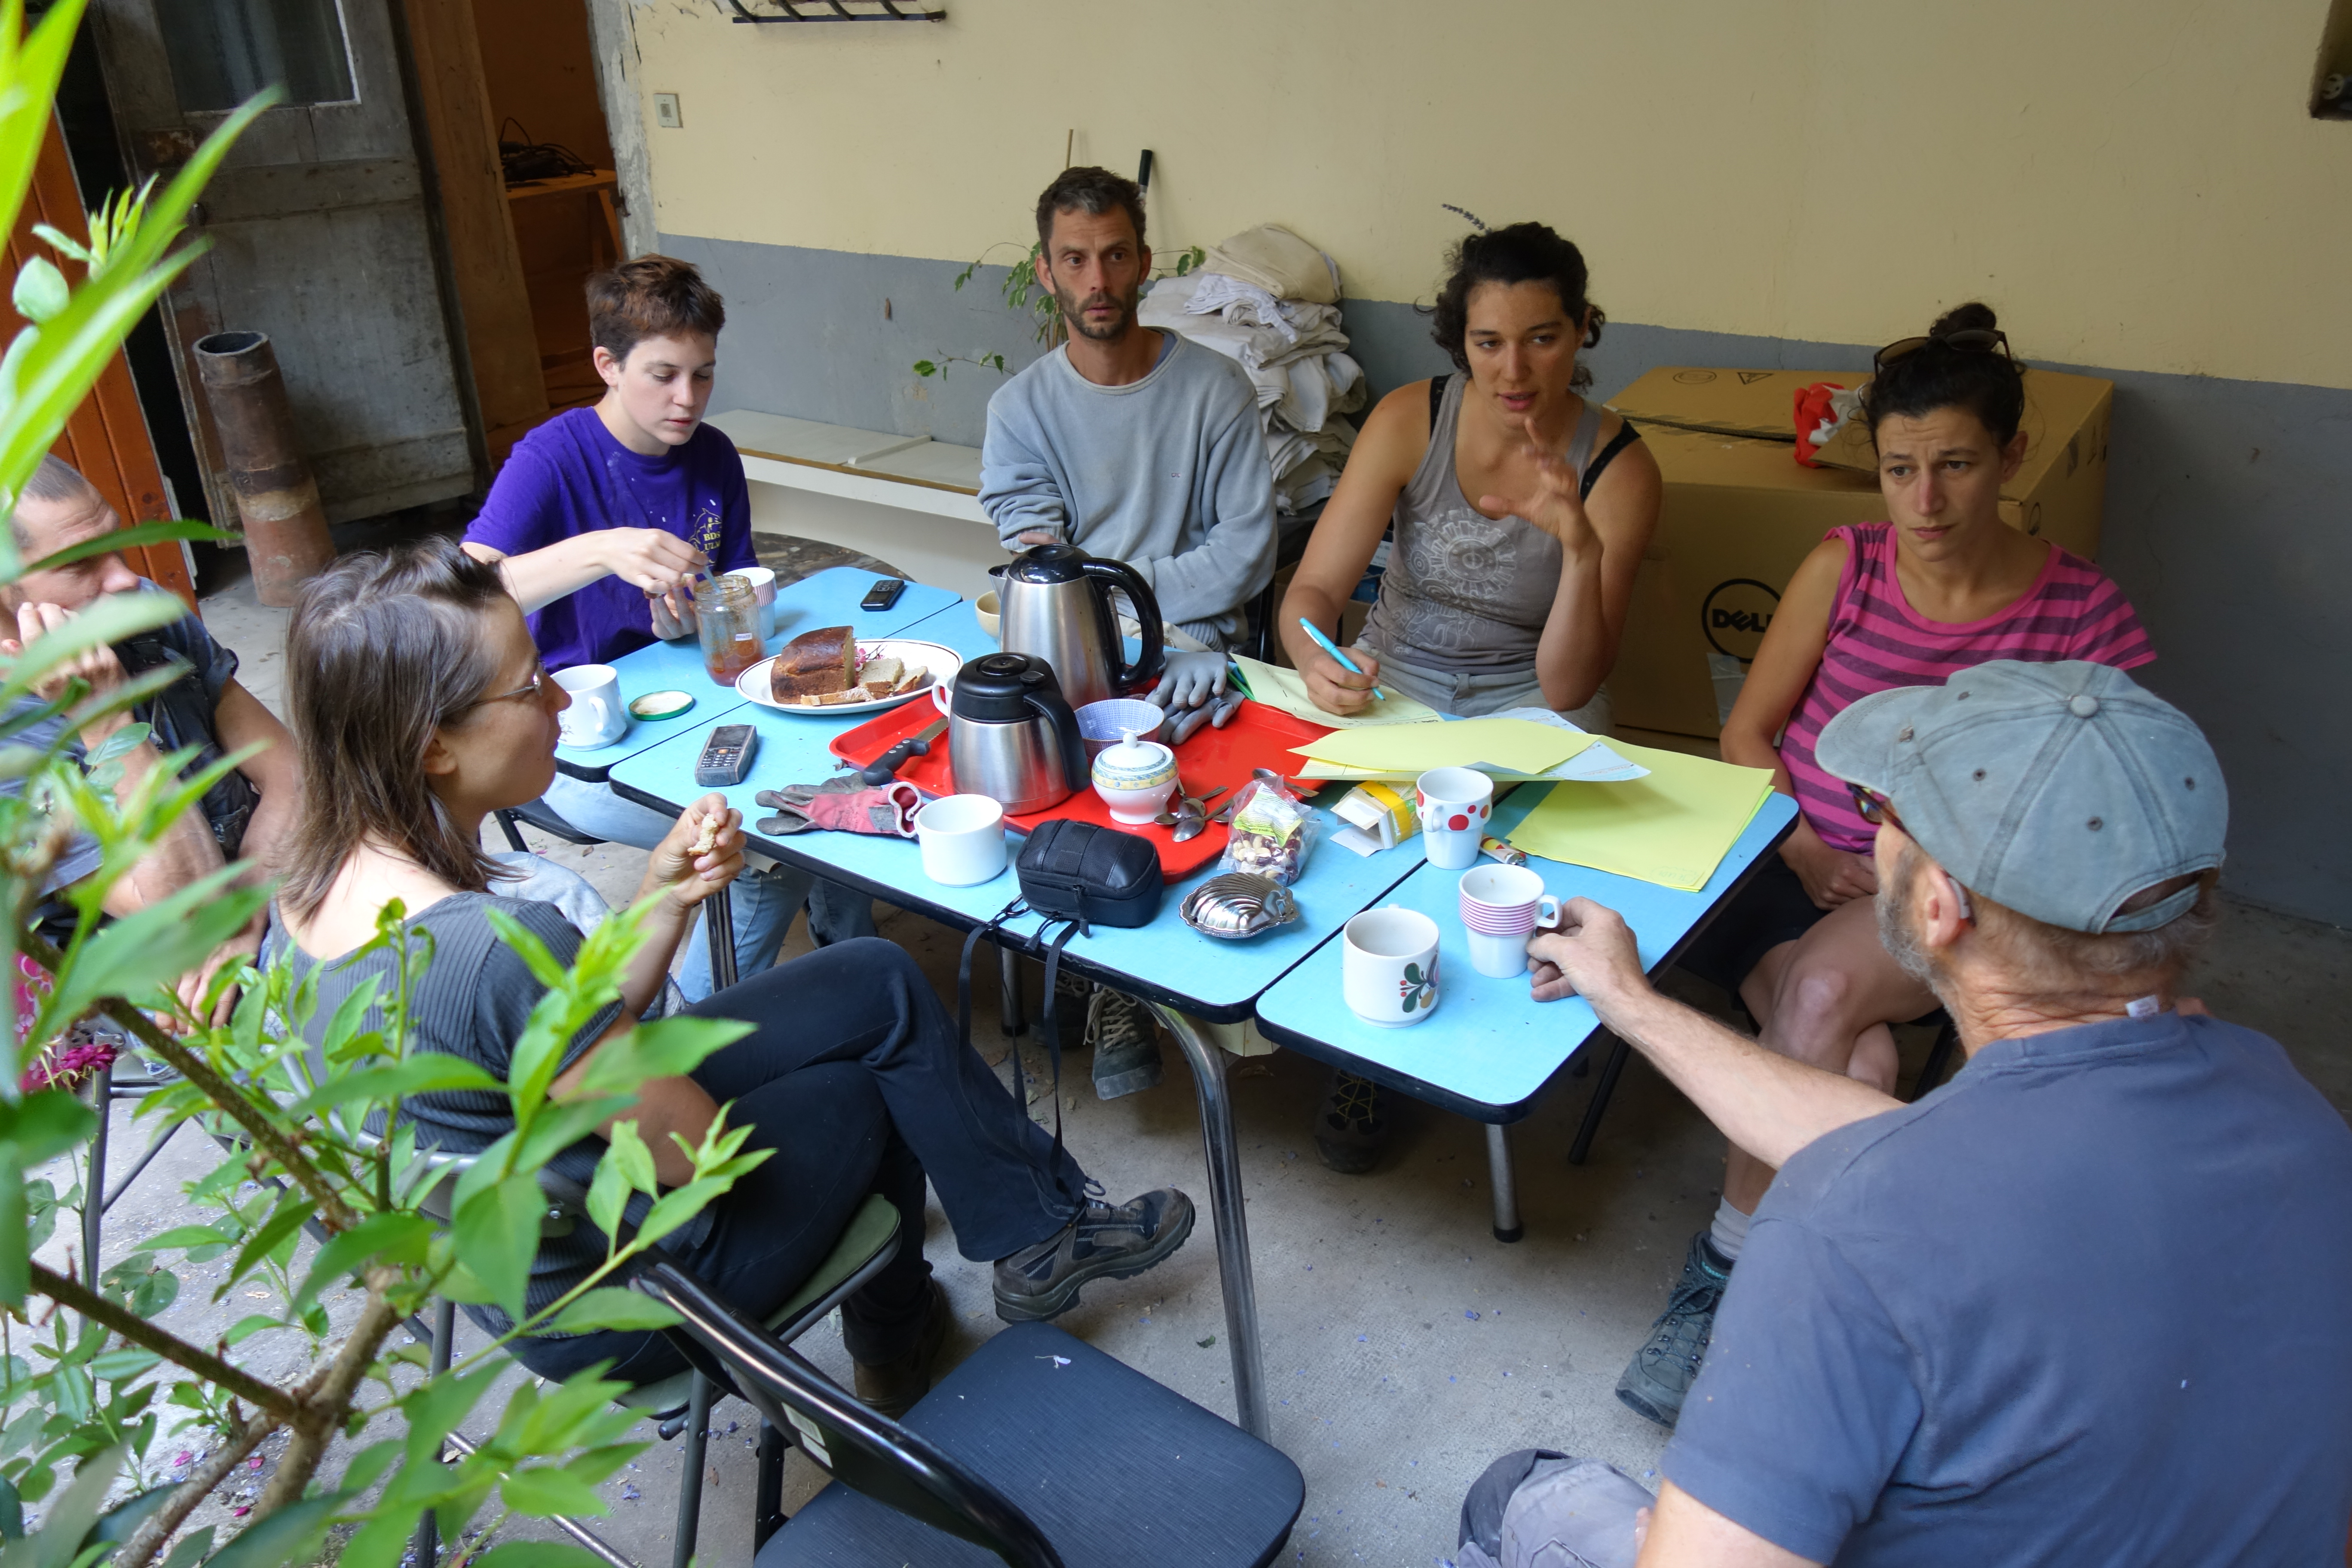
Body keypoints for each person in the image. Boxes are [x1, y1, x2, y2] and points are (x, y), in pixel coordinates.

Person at [266, 539, 1196, 1412]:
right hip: (625, 1291)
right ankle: (899, 1338)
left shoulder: (310, 898)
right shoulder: (489, 946)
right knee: (880, 1083)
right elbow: (692, 1152)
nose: (556, 700)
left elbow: (557, 1042)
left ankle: (1035, 1239)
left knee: (874, 978)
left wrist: (664, 897)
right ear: (434, 745)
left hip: (559, 1194)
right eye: (529, 684)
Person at [1512, 659, 2352, 1566]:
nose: (1873, 829)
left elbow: (1893, 1196)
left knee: (1529, 1499)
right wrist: (1630, 1001)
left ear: (1939, 905)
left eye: (1881, 810)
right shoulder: (2296, 1114)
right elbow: (1910, 1159)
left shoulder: (1847, 1231)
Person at [1614, 304, 2156, 1428]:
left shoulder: (2081, 614)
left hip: (1942, 898)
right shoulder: (1846, 564)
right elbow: (1748, 733)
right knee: (1855, 1065)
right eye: (1902, 469)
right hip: (1779, 860)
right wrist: (1804, 842)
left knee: (1822, 993)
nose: (1925, 501)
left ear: (2012, 457)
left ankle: (1722, 1273)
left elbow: (2114, 806)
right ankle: (1831, 1297)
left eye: (1957, 465)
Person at [1278, 221, 1662, 1173]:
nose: (1514, 369)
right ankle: (1369, 1031)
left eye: (1542, 338)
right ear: (1461, 340)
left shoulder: (1620, 468)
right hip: (1395, 680)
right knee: (1321, 844)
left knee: (1516, 882)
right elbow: (1313, 592)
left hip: (1534, 700)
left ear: (1583, 330)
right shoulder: (1412, 417)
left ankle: (1491, 1046)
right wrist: (1316, 656)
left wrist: (1581, 550)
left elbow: (1573, 683)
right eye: (1489, 342)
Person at [462, 256, 870, 1003]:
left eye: (704, 375)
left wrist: (705, 621)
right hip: (580, 743)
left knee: (848, 773)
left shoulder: (712, 456)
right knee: (768, 847)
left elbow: (738, 592)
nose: (688, 399)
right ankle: (684, 1037)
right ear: (607, 366)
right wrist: (599, 550)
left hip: (691, 706)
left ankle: (851, 966)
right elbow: (453, 598)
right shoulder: (551, 458)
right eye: (664, 375)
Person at [978, 165, 1279, 1099]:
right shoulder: (1020, 410)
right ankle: (1091, 961)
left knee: (1175, 807)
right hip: (1075, 651)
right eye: (1075, 260)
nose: (1098, 280)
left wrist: (1124, 598)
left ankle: (1125, 985)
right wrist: (1110, 611)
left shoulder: (1216, 391)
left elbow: (1245, 554)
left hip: (1200, 655)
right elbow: (1041, 562)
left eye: (1115, 256)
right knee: (1026, 777)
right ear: (1046, 271)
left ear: (1146, 261)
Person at [0, 453, 299, 1022]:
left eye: (116, 543)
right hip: (165, 973)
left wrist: (252, 907)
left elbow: (291, 771)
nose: (123, 578)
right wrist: (106, 720)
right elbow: (189, 919)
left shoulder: (141, 612)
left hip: (262, 884)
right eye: (80, 564)